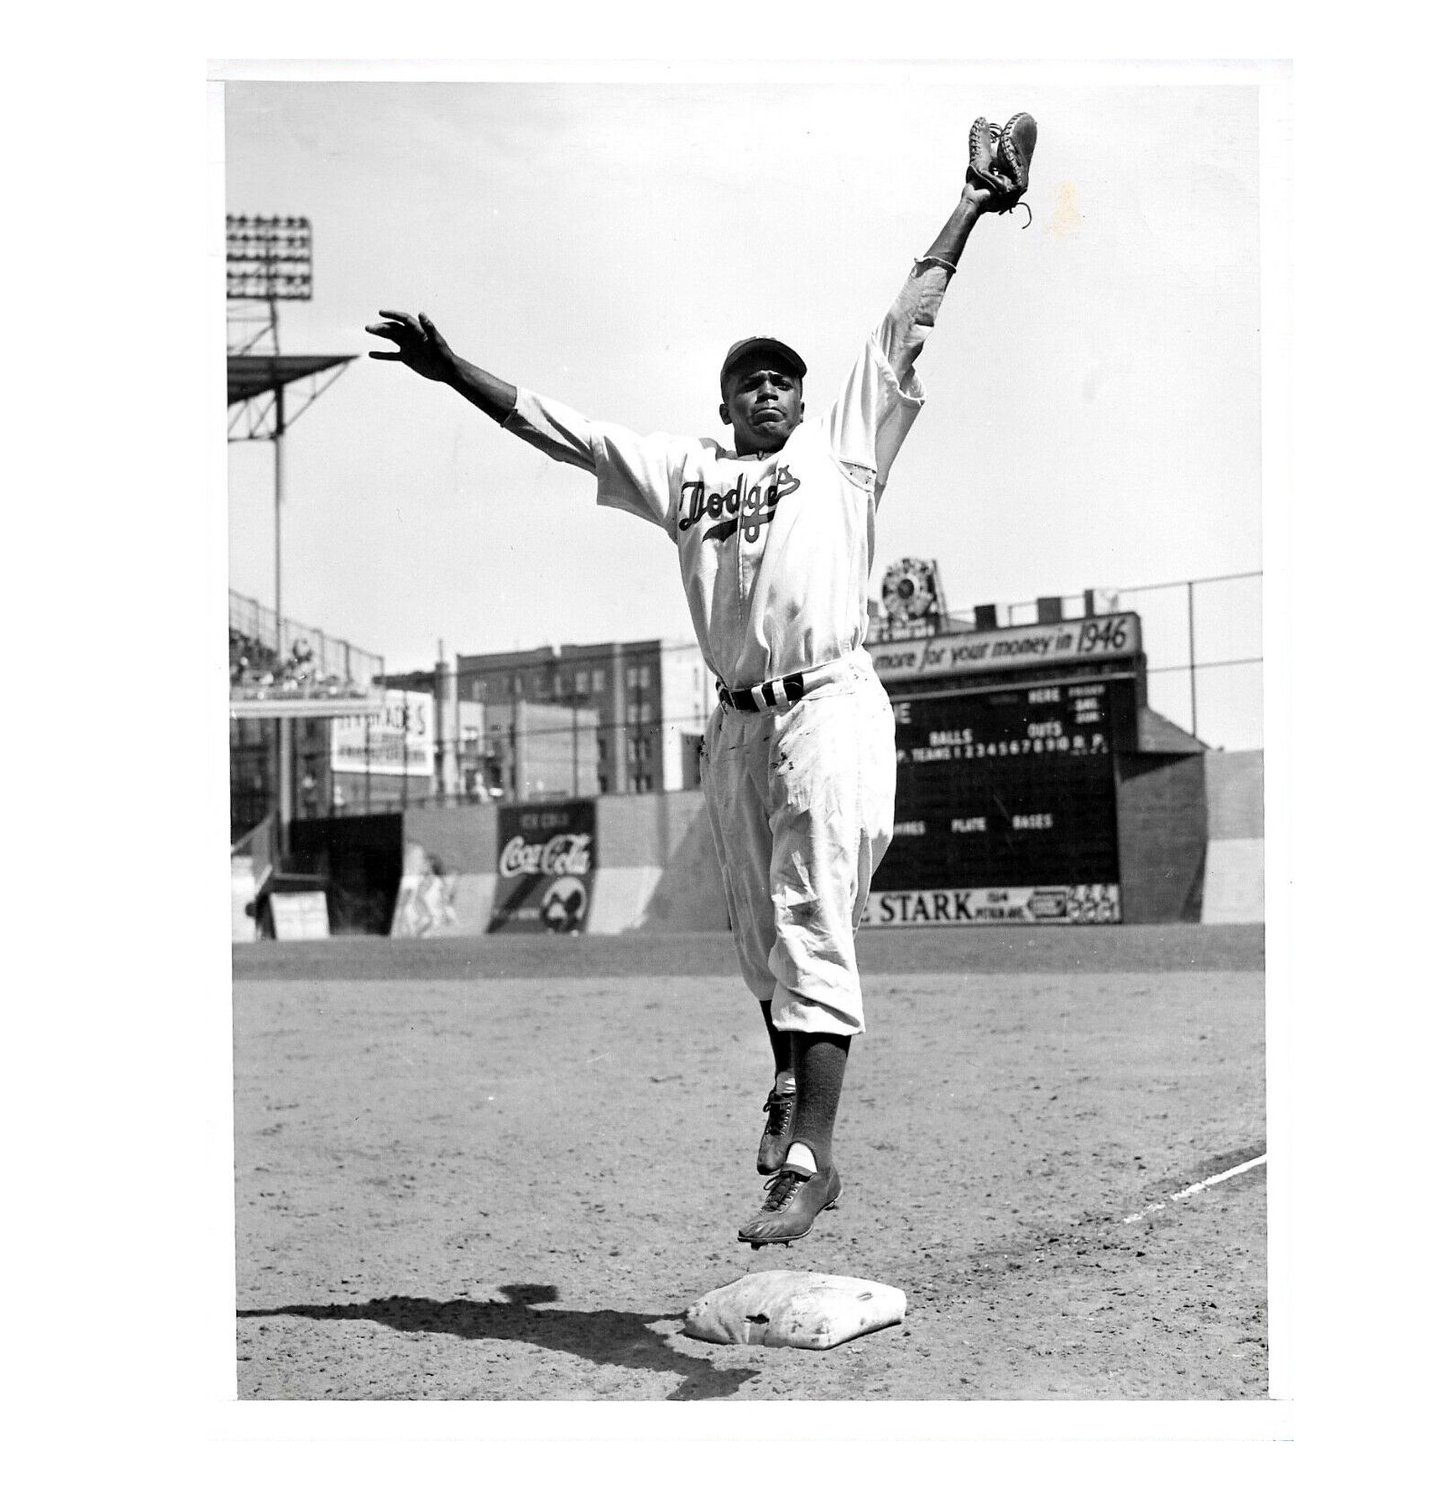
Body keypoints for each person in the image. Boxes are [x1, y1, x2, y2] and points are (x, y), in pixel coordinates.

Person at [367, 115, 1036, 1247]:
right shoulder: (684, 473)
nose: (770, 390)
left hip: (827, 702)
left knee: (815, 919)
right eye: (750, 381)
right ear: (724, 404)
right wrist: (451, 374)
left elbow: (909, 312)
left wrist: (973, 200)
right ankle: (787, 1081)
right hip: (735, 728)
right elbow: (557, 430)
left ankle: (814, 1159)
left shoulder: (841, 452)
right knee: (759, 943)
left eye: (784, 376)